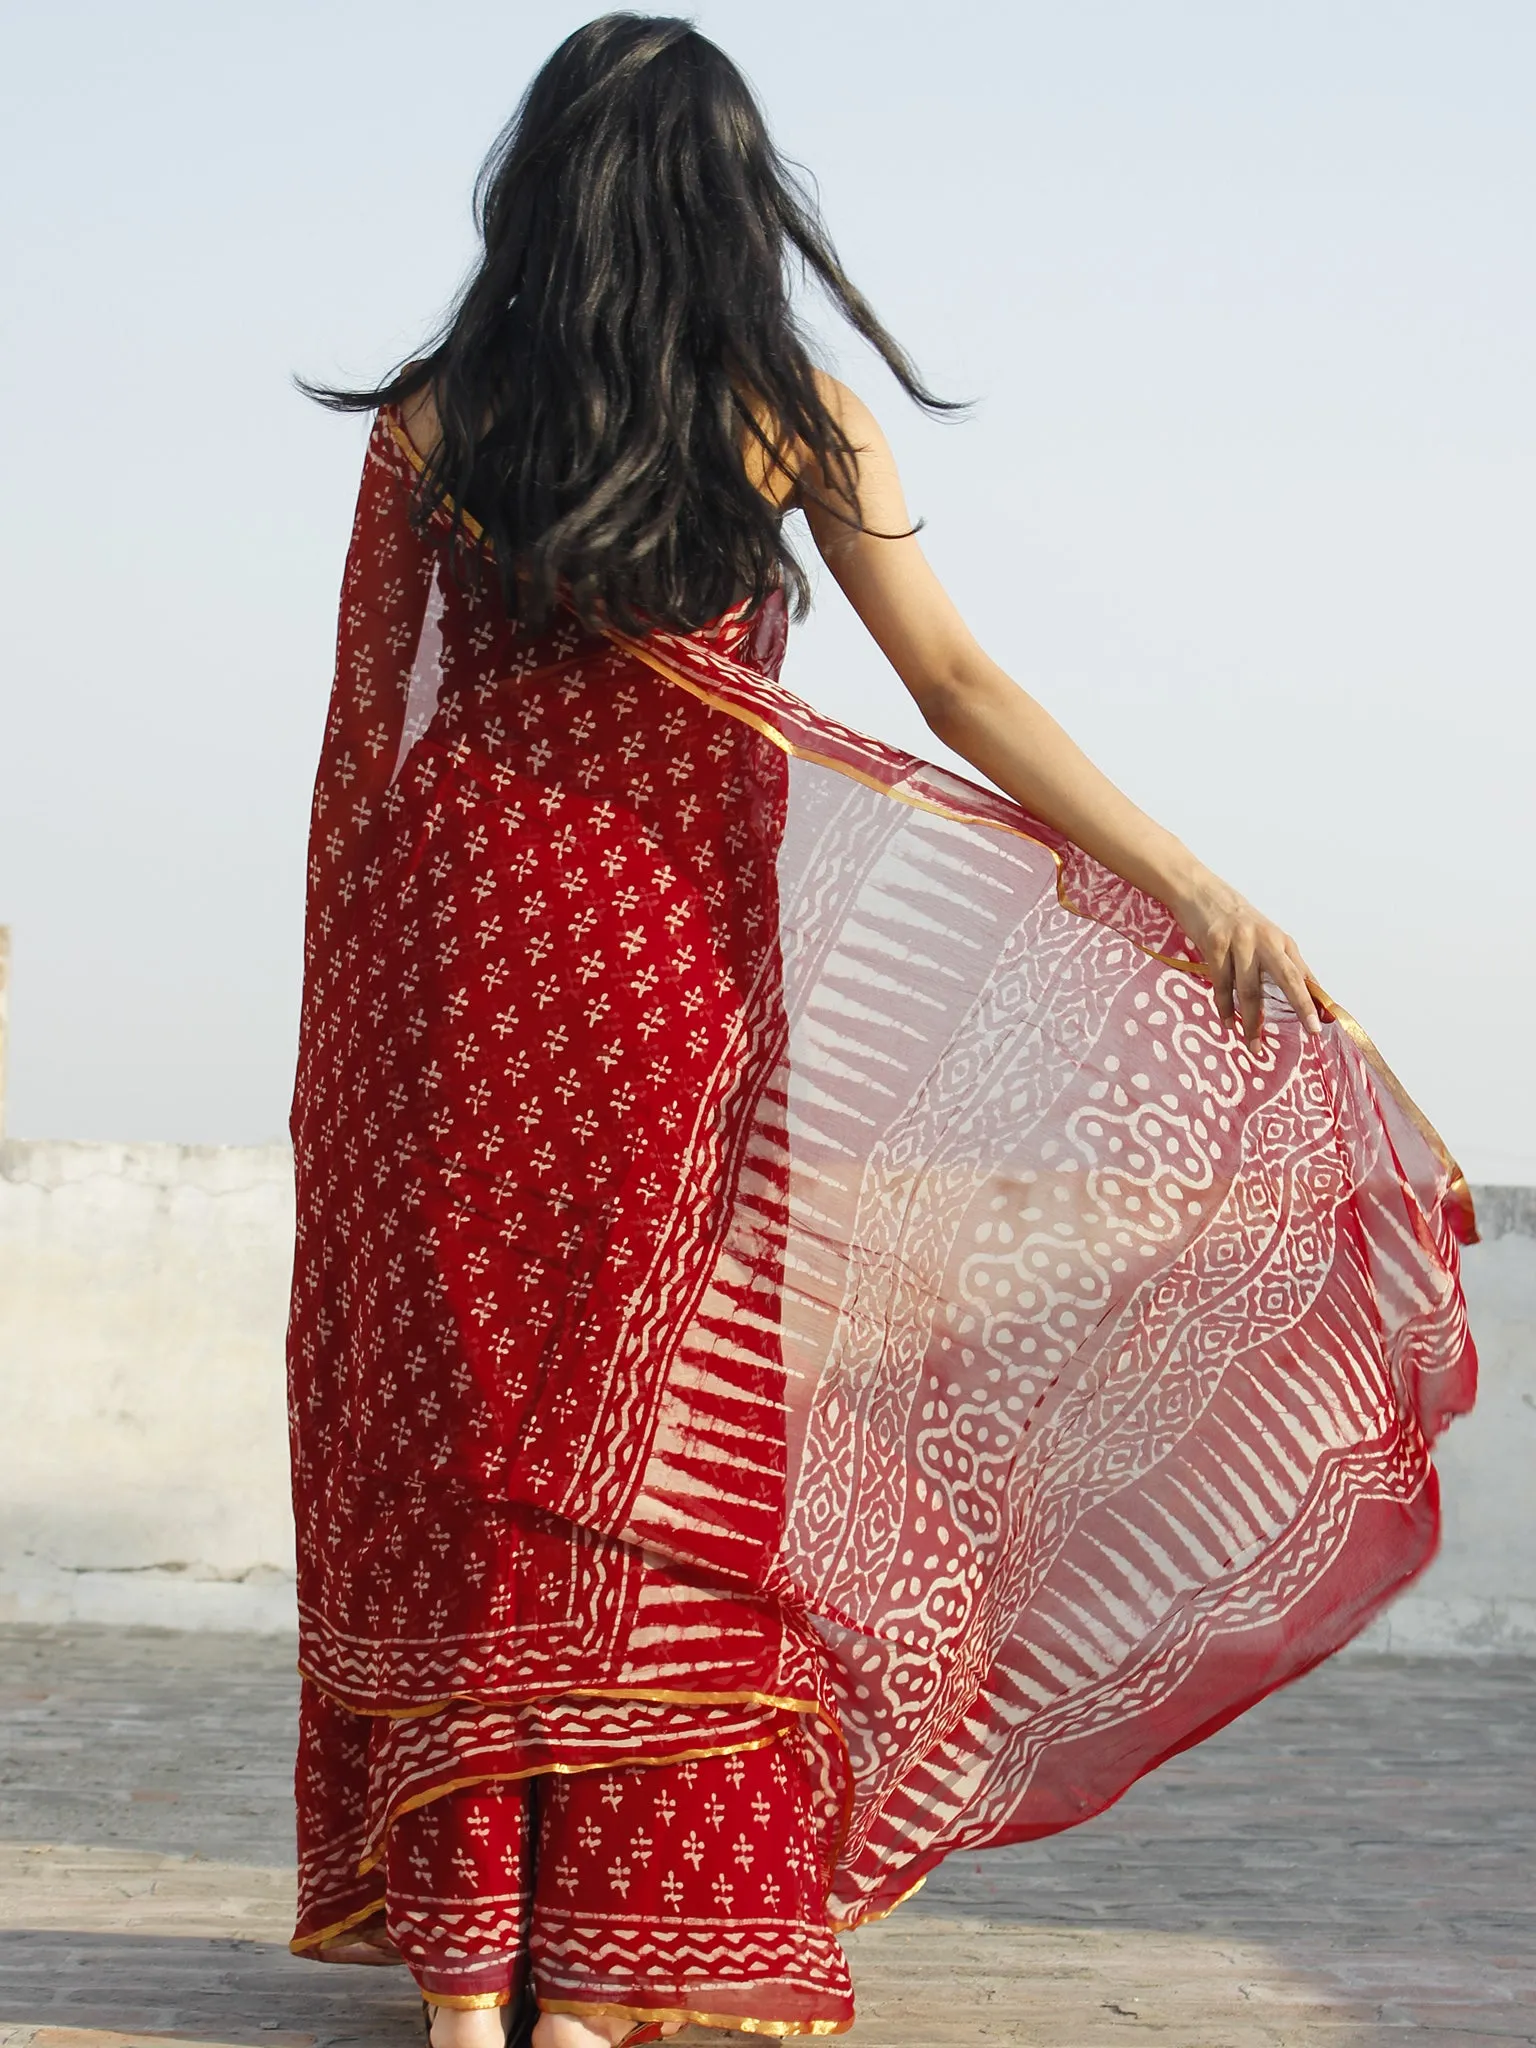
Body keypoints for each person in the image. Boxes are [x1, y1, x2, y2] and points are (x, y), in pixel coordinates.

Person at [286, 15, 1476, 2046]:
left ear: (540, 191)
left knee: (485, 1438)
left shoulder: (427, 424)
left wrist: (353, 1072)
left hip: (466, 986)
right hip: (667, 983)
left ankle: (472, 1979)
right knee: (654, 1447)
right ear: (740, 204)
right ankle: (601, 1984)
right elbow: (958, 684)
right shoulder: (801, 423)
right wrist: (1188, 882)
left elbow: (366, 777)